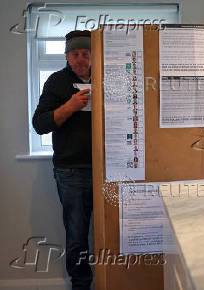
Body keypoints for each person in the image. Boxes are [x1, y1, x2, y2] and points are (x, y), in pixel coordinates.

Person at [32, 30, 92, 290]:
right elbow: (39, 125)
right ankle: (81, 285)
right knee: (77, 235)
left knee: (116, 230)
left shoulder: (106, 78)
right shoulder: (56, 82)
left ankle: (115, 280)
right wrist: (69, 107)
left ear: (93, 55)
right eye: (75, 54)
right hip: (71, 172)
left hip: (110, 169)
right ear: (67, 56)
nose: (80, 59)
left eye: (85, 53)